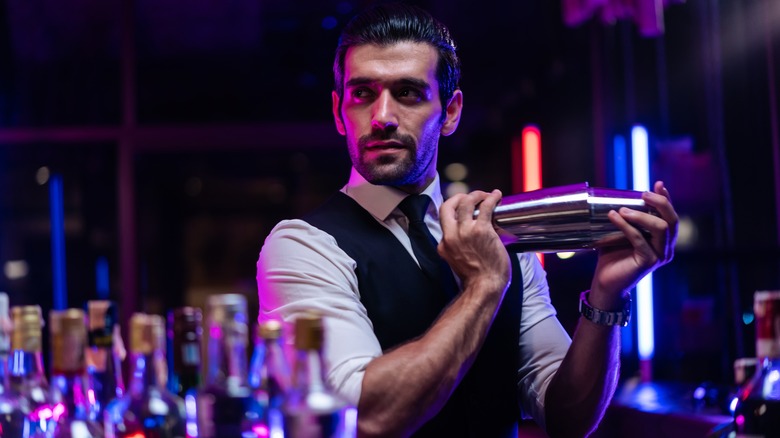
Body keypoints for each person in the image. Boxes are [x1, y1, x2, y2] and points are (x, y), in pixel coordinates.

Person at [256, 3, 678, 437]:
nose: (381, 117)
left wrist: (606, 294)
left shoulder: (502, 238)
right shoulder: (302, 245)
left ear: (451, 111)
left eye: (407, 93)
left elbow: (566, 417)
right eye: (362, 93)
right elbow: (366, 419)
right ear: (338, 111)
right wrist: (483, 286)